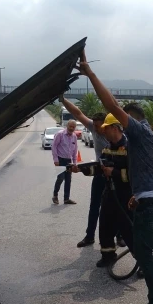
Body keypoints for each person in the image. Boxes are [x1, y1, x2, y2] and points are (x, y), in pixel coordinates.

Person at [75, 50, 153, 304]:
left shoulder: (138, 132)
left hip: (152, 204)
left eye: (123, 120)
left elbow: (113, 107)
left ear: (132, 119)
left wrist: (91, 74)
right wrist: (137, 194)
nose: (119, 123)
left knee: (144, 252)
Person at [73, 113, 134, 267]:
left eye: (105, 128)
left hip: (126, 196)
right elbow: (101, 169)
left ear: (115, 128)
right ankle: (108, 255)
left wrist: (113, 173)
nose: (102, 131)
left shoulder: (130, 148)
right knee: (105, 225)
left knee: (130, 230)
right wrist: (81, 169)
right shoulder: (107, 148)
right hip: (110, 194)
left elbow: (136, 175)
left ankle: (143, 262)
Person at [60, 97, 111, 247]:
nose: (94, 128)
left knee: (116, 206)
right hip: (100, 174)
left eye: (98, 126)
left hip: (115, 175)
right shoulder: (94, 129)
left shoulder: (116, 135)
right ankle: (89, 236)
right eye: (93, 125)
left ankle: (120, 235)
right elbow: (77, 113)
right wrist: (62, 100)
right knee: (94, 206)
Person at [51, 120, 78, 205]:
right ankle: (55, 195)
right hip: (60, 159)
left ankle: (66, 199)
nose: (72, 128)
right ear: (67, 126)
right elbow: (54, 146)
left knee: (68, 180)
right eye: (70, 126)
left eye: (73, 127)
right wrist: (56, 160)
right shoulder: (60, 134)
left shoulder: (74, 136)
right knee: (60, 178)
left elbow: (75, 150)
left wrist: (74, 163)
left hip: (69, 161)